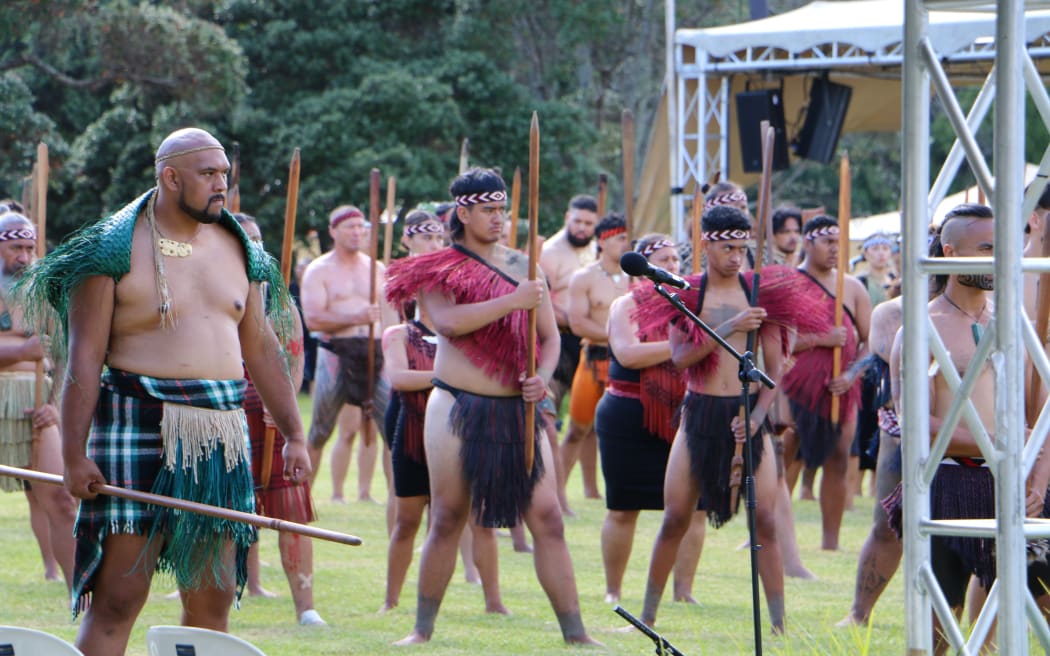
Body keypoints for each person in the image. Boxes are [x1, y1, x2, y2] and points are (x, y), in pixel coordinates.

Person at [16, 128, 310, 655]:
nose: (222, 184)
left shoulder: (242, 250)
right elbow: (82, 359)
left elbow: (262, 347)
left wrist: (294, 432)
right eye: (208, 174)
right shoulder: (109, 250)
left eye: (224, 173)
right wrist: (73, 453)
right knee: (119, 596)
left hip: (220, 430)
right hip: (134, 418)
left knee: (213, 595)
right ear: (170, 177)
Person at [386, 168, 596, 646]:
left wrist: (541, 378)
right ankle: (421, 629)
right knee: (447, 516)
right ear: (463, 212)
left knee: (548, 517)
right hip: (456, 404)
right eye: (489, 210)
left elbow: (549, 339)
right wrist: (513, 300)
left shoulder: (527, 265)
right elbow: (447, 323)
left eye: (503, 210)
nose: (500, 219)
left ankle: (576, 633)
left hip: (517, 410)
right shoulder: (440, 267)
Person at [634, 205, 826, 633]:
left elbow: (776, 369)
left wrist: (757, 417)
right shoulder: (686, 292)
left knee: (767, 522)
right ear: (706, 245)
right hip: (700, 410)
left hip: (748, 412)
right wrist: (733, 323)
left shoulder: (764, 295)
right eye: (727, 248)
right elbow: (682, 358)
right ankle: (646, 617)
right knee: (675, 516)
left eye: (742, 248)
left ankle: (778, 626)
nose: (736, 256)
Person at [887, 203, 1050, 654]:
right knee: (940, 622)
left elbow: (1041, 411)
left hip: (1016, 482)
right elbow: (916, 422)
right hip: (950, 483)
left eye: (1004, 247)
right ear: (949, 251)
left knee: (1036, 601)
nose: (998, 257)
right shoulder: (922, 327)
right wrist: (996, 444)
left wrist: (1038, 472)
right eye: (986, 248)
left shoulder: (1015, 322)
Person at [379, 210, 506, 614]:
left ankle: (493, 601)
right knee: (408, 520)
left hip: (465, 428)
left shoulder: (467, 338)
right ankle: (391, 600)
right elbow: (399, 378)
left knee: (479, 520)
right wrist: (450, 377)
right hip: (414, 430)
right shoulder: (399, 333)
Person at [595, 233, 704, 604]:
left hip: (683, 413)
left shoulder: (690, 304)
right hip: (628, 413)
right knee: (623, 508)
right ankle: (613, 590)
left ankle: (684, 591)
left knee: (694, 509)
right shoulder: (626, 304)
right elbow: (627, 354)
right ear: (643, 266)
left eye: (676, 259)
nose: (671, 266)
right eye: (662, 260)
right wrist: (682, 349)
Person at [232, 213, 324, 626]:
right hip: (226, 417)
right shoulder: (214, 294)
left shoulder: (281, 303)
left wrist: (281, 403)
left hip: (273, 420)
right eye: (243, 240)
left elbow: (295, 357)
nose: (252, 248)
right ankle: (229, 592)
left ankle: (306, 607)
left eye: (257, 239)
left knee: (292, 510)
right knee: (230, 507)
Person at [780, 214, 872, 551]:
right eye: (827, 242)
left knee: (838, 455)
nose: (835, 249)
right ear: (808, 242)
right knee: (783, 454)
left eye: (838, 243)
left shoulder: (853, 287)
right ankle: (766, 533)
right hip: (794, 386)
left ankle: (830, 542)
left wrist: (851, 374)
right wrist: (819, 338)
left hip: (840, 387)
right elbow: (779, 340)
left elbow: (870, 342)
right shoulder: (789, 284)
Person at [0, 208, 76, 590]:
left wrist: (56, 405)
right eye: (16, 248)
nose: (25, 257)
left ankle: (79, 596)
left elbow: (63, 352)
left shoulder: (43, 290)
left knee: (61, 499)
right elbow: (30, 348)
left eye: (30, 248)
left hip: (36, 403)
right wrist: (20, 351)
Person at [300, 205, 395, 502]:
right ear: (333, 231)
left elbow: (391, 317)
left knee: (393, 432)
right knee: (319, 431)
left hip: (375, 354)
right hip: (336, 354)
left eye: (361, 227)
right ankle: (301, 500)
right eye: (349, 227)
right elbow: (313, 320)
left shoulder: (377, 270)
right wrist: (356, 317)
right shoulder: (320, 270)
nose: (357, 233)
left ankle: (399, 501)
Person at [560, 213, 631, 504]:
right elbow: (577, 324)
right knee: (578, 428)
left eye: (628, 238)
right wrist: (618, 337)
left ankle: (598, 490)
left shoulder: (637, 276)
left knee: (617, 430)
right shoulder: (584, 277)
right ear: (603, 241)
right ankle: (558, 495)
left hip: (626, 362)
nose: (626, 243)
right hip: (594, 358)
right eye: (620, 238)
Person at [539, 194, 600, 505]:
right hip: (558, 339)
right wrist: (573, 320)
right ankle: (554, 494)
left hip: (590, 341)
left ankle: (590, 490)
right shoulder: (549, 252)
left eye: (589, 223)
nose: (582, 227)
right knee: (550, 416)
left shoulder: (596, 249)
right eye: (577, 221)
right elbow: (542, 299)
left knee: (589, 420)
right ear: (567, 217)